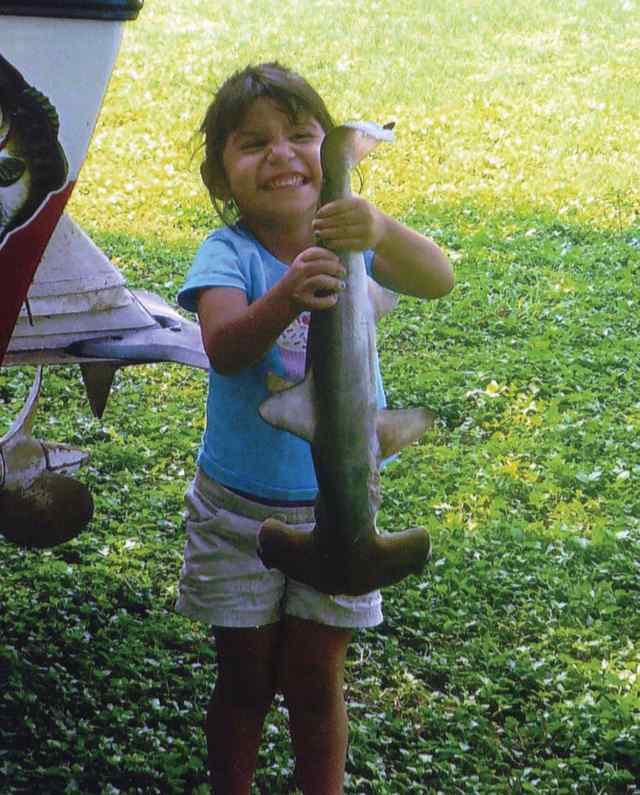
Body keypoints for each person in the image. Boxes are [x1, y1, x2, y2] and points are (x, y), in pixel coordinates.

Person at [176, 61, 453, 795]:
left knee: (314, 678)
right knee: (243, 676)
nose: (280, 154)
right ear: (220, 173)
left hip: (345, 509)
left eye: (301, 135)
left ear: (326, 151)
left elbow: (438, 278)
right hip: (238, 509)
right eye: (251, 143)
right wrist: (285, 296)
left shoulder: (359, 242)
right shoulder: (226, 255)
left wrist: (380, 226)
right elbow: (225, 347)